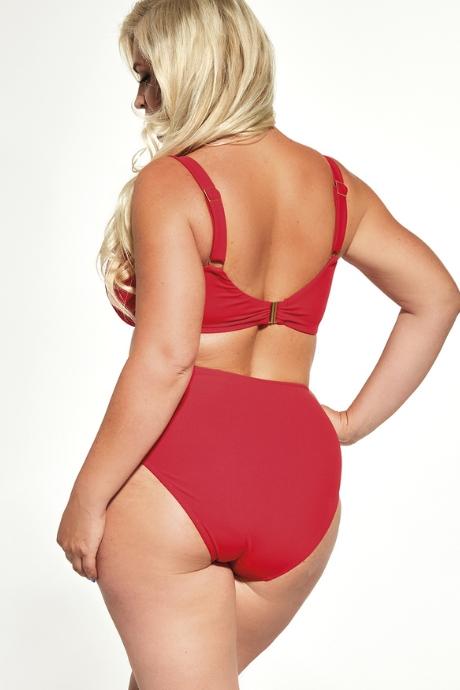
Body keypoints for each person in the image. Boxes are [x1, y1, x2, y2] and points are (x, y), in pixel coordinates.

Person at [56, 1, 460, 688]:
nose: (140, 99)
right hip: (301, 490)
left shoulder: (173, 182)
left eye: (149, 76)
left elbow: (167, 359)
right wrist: (348, 424)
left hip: (181, 479)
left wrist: (86, 499)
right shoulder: (335, 186)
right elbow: (437, 297)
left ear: (190, 68)